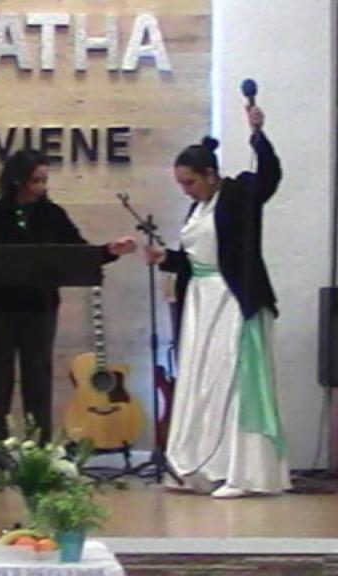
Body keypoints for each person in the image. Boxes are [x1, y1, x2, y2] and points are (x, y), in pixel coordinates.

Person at [145, 105, 289, 498]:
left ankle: (243, 473)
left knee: (232, 381)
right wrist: (166, 258)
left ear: (210, 175)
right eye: (182, 184)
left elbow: (270, 176)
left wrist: (258, 134)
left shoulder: (238, 193)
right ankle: (202, 467)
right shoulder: (198, 207)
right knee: (202, 383)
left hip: (232, 299)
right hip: (201, 301)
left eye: (190, 182)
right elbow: (198, 258)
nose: (186, 190)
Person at [0, 150, 136, 465]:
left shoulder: (52, 214)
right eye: (36, 181)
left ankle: (40, 457)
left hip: (39, 312)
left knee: (38, 385)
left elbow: (78, 251)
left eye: (44, 180)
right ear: (17, 180)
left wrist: (109, 251)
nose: (42, 187)